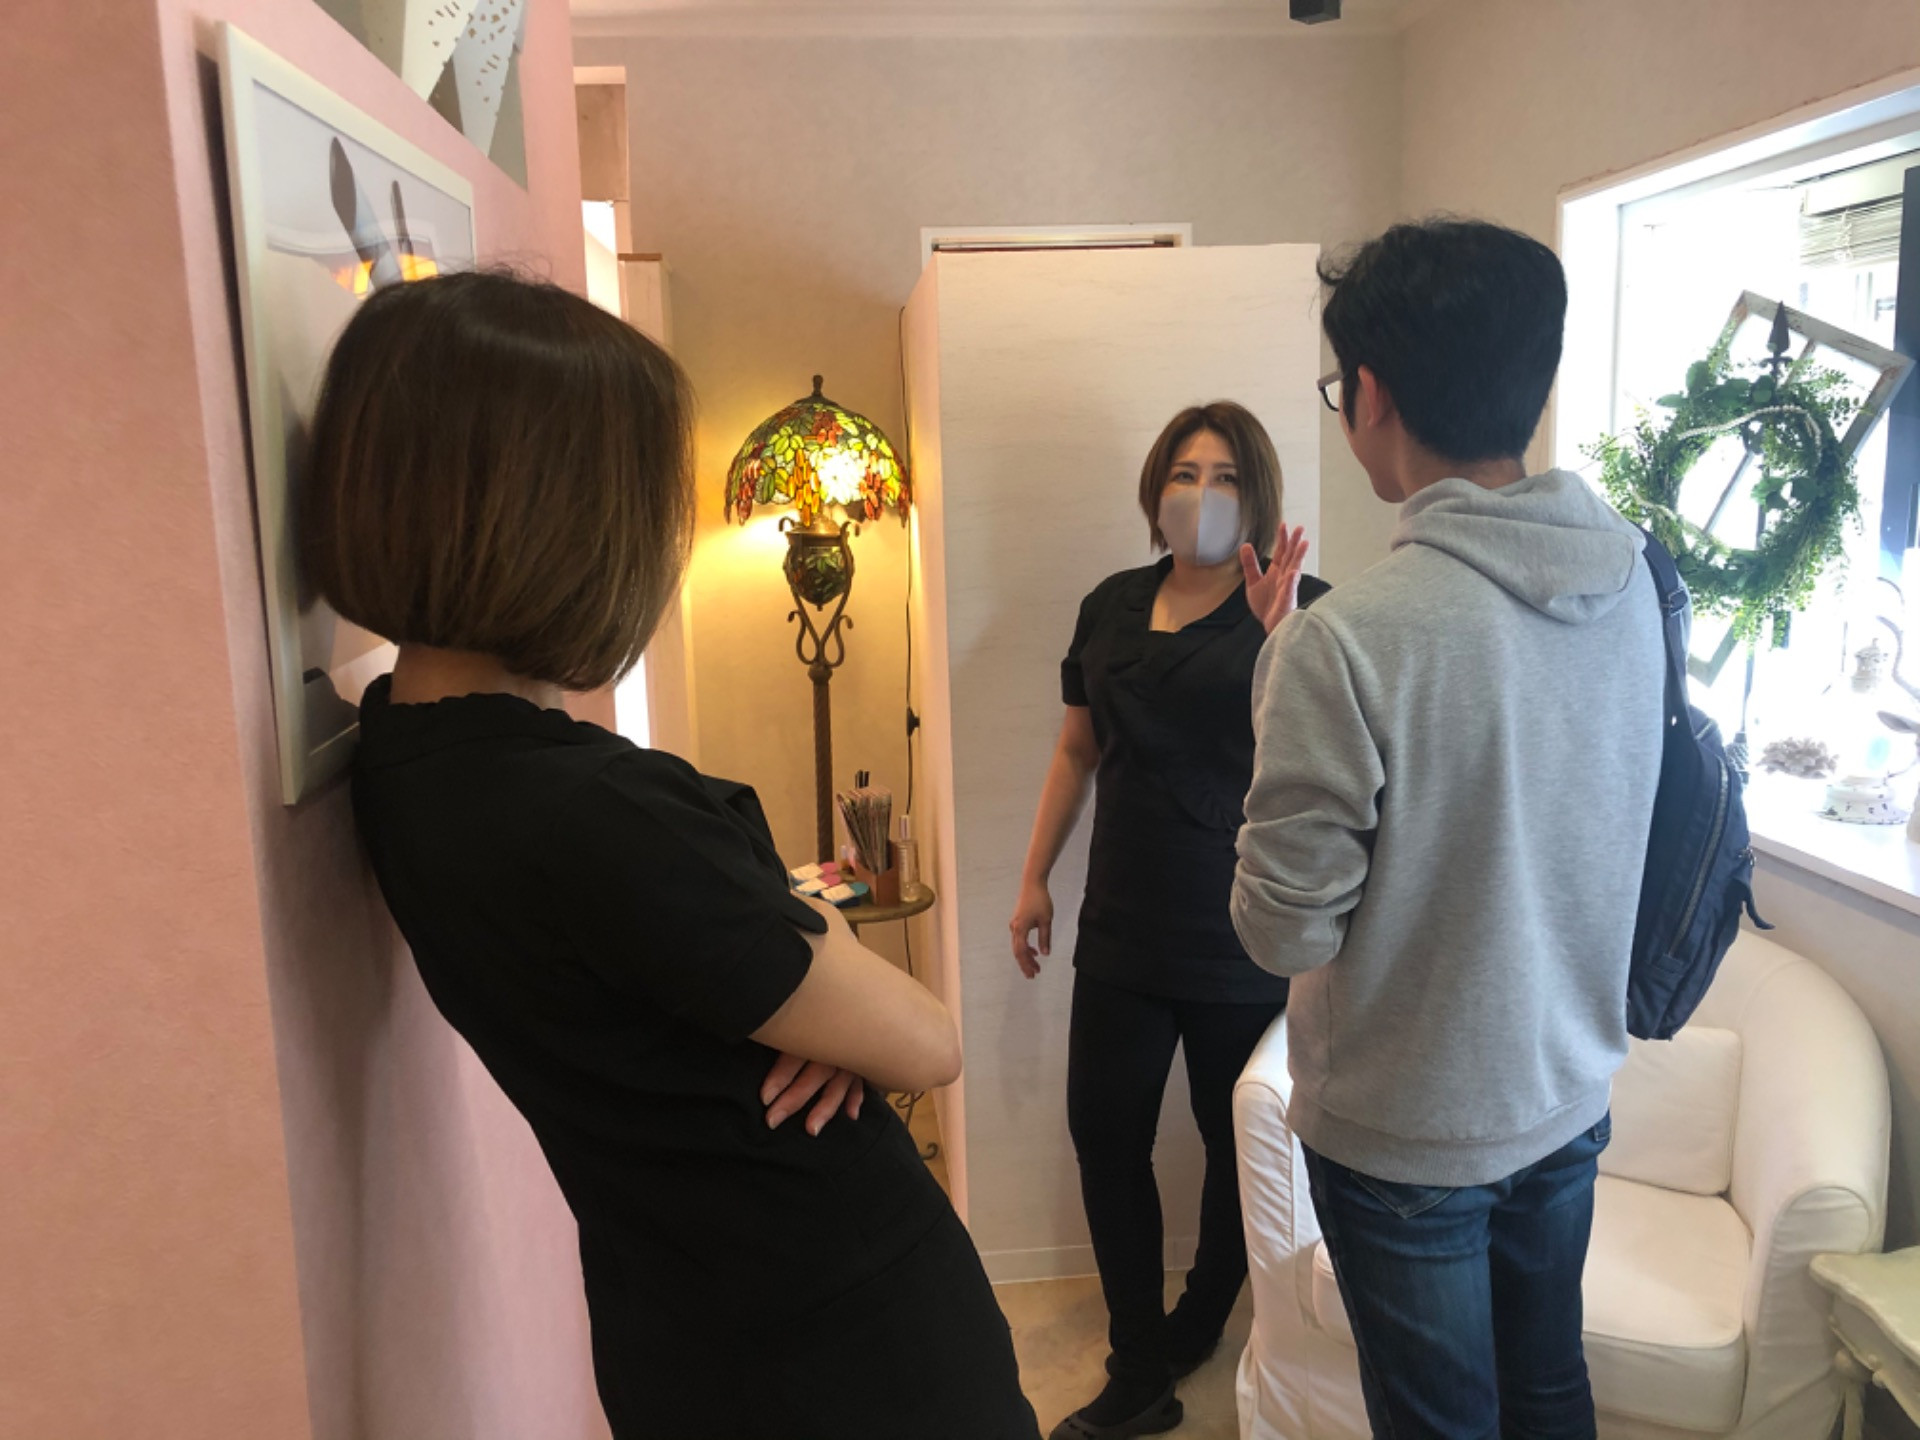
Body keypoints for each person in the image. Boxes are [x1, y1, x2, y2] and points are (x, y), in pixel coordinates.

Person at [299, 270, 1040, 1440]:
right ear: (567, 523)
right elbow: (928, 1041)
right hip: (849, 1348)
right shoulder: (597, 812)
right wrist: (825, 959)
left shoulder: (401, 760)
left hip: (683, 1326)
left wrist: (798, 972)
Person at [1230, 219, 1666, 1439]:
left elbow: (1283, 931)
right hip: (1567, 1093)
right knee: (1548, 1390)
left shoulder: (1345, 640)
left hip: (1406, 1132)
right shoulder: (1631, 582)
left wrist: (1280, 679)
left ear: (1371, 394)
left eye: (1340, 390)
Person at [1010, 402, 1318, 1440]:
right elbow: (1076, 750)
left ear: (1257, 496)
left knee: (1234, 1149)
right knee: (1105, 1137)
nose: (1201, 494)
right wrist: (1034, 878)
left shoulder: (1300, 608)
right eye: (1185, 472)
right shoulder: (1109, 605)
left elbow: (1325, 769)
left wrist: (1280, 640)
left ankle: (1201, 1314)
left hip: (1242, 934)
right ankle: (1138, 1365)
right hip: (1123, 928)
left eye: (1225, 476)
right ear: (1156, 490)